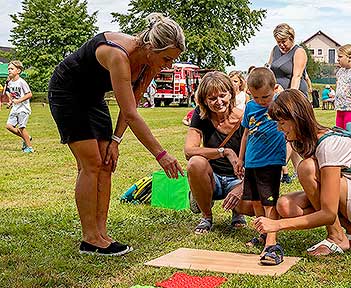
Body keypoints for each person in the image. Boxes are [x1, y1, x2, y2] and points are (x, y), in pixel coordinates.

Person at [47, 13, 185, 256]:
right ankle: (90, 239)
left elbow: (130, 104)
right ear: (152, 47)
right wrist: (161, 154)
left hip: (93, 97)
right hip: (68, 93)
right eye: (166, 59)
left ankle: (101, 234)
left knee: (107, 164)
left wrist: (116, 141)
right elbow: (133, 114)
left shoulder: (150, 63)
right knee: (91, 164)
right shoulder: (118, 54)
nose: (169, 66)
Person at [253, 89, 351, 256]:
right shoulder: (309, 141)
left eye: (282, 123)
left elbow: (328, 213)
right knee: (285, 206)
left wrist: (277, 225)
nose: (279, 128)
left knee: (307, 168)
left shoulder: (328, 145)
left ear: (297, 119)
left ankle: (337, 236)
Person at [184, 71, 254, 234]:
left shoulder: (244, 119)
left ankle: (238, 213)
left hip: (237, 179)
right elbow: (189, 151)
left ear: (231, 94)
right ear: (204, 100)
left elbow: (255, 160)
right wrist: (225, 151)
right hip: (212, 178)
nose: (219, 102)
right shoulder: (200, 115)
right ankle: (206, 216)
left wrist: (243, 186)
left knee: (249, 207)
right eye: (212, 98)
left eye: (223, 95)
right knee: (195, 162)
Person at [236, 67, 286, 265]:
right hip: (252, 162)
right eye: (256, 97)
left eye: (265, 96)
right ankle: (262, 234)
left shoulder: (279, 104)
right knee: (255, 201)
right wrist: (241, 159)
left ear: (274, 88)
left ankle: (272, 241)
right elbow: (246, 134)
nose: (261, 101)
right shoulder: (250, 107)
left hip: (271, 162)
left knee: (269, 202)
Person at [268, 23, 308, 97]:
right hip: (277, 95)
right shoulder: (275, 50)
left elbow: (297, 76)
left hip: (295, 95)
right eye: (278, 42)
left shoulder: (299, 51)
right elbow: (269, 70)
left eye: (283, 41)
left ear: (291, 38)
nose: (281, 45)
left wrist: (291, 97)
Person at [5, 60, 34, 153]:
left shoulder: (22, 82)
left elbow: (29, 94)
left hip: (23, 109)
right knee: (9, 126)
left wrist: (18, 100)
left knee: (21, 128)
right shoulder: (10, 83)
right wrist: (10, 102)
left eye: (12, 69)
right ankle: (27, 137)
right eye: (8, 69)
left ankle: (29, 148)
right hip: (15, 108)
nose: (9, 70)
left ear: (18, 71)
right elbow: (12, 94)